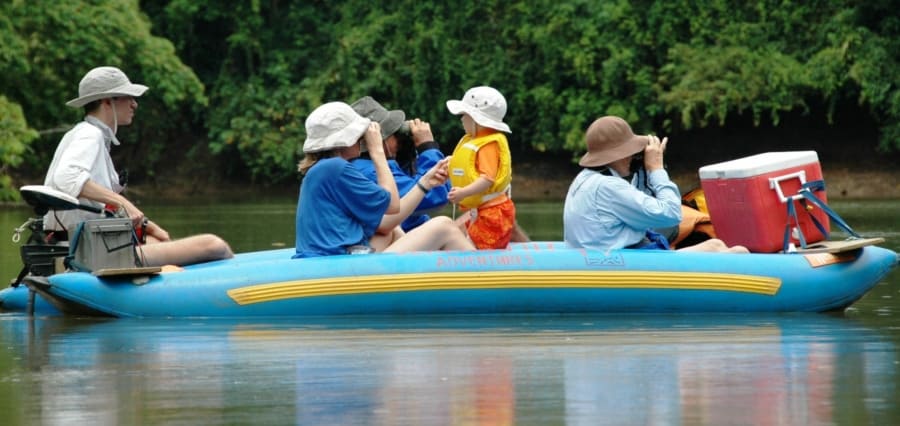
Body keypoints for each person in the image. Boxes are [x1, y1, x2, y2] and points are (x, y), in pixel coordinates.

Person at [43, 66, 234, 266]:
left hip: (84, 247)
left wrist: (150, 226)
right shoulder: (90, 134)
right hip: (87, 253)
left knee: (156, 240)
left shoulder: (82, 135)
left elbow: (100, 206)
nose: (135, 104)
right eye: (128, 97)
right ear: (107, 101)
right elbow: (67, 177)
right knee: (214, 245)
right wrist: (123, 202)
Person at [293, 102, 474, 258]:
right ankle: (486, 278)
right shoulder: (336, 168)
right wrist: (377, 151)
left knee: (389, 231)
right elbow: (393, 205)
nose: (362, 138)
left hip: (338, 257)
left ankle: (427, 277)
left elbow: (386, 222)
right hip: (337, 264)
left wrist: (426, 182)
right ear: (345, 140)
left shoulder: (324, 169)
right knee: (444, 225)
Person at [563, 116, 748, 253]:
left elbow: (638, 209)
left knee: (716, 245)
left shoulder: (585, 178)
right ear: (616, 154)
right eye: (627, 151)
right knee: (739, 251)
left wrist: (641, 172)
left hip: (605, 253)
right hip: (621, 261)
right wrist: (656, 170)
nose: (631, 156)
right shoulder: (610, 187)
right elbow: (672, 214)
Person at [349, 96, 450, 232]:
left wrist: (405, 155)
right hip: (402, 242)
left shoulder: (368, 166)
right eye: (393, 134)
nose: (399, 138)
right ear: (378, 138)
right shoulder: (370, 172)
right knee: (445, 225)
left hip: (405, 237)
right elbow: (436, 196)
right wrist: (427, 147)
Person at [445, 86, 518, 250]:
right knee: (469, 244)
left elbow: (487, 179)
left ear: (476, 119)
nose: (461, 119)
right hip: (481, 211)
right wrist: (452, 161)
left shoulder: (488, 145)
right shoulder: (479, 142)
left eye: (464, 115)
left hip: (493, 214)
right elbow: (472, 166)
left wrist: (463, 193)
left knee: (476, 248)